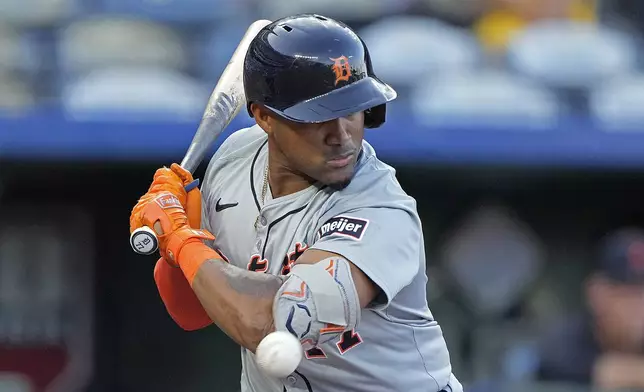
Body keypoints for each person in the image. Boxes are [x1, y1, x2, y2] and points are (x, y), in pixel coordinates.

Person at [129, 14, 461, 392]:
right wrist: (180, 233)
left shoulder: (382, 211)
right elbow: (191, 311)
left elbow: (273, 325)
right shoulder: (235, 159)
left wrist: (182, 243)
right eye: (317, 117)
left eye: (352, 109)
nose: (341, 136)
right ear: (264, 117)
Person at [537, 227, 644, 390]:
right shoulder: (564, 341)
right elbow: (607, 372)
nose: (640, 306)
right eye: (629, 294)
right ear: (597, 293)